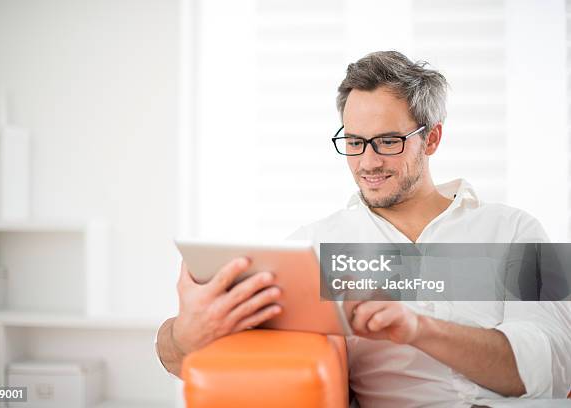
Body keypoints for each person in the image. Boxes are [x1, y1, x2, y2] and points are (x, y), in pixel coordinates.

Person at [156, 51, 571, 406]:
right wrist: (186, 334)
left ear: (432, 139)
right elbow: (184, 359)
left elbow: (552, 365)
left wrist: (418, 329)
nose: (367, 162)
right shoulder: (314, 248)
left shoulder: (515, 229)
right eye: (354, 142)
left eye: (388, 141)